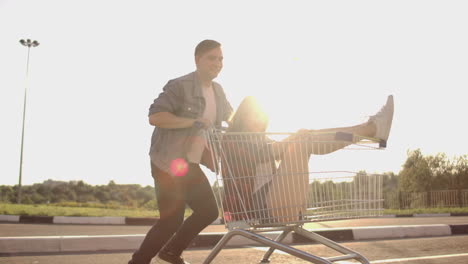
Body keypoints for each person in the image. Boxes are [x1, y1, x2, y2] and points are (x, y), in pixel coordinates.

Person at [128, 40, 233, 264]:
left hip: (189, 164)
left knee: (208, 211)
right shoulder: (179, 85)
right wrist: (192, 121)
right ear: (197, 60)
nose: (217, 63)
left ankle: (170, 251)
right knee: (171, 220)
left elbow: (233, 120)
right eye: (211, 58)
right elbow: (155, 117)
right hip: (168, 162)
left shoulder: (218, 91)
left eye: (221, 58)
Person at [221, 95, 394, 224]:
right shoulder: (232, 140)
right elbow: (263, 154)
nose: (259, 120)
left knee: (306, 140)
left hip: (274, 202)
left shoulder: (262, 139)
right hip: (255, 208)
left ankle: (369, 129)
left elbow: (278, 150)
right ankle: (370, 129)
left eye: (261, 116)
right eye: (253, 115)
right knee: (303, 141)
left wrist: (300, 137)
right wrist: (296, 138)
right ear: (243, 116)